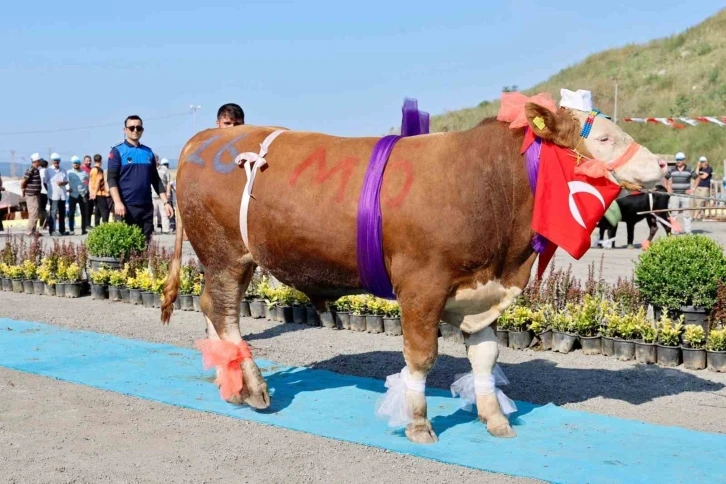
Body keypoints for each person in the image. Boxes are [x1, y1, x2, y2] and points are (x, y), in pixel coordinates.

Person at [107, 115, 173, 243]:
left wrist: (166, 202)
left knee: (144, 246)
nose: (135, 130)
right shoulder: (117, 151)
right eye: (131, 128)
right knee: (125, 246)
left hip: (146, 207)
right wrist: (118, 202)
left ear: (142, 130)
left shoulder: (148, 152)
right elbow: (111, 179)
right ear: (125, 130)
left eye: (138, 127)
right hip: (126, 206)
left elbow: (156, 180)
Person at [665, 151, 698, 235]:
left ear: (684, 160)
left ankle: (688, 231)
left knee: (687, 213)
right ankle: (674, 230)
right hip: (674, 195)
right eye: (677, 160)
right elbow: (666, 178)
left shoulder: (689, 169)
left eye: (680, 160)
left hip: (685, 195)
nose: (678, 161)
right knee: (674, 213)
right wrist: (668, 188)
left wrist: (693, 189)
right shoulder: (672, 169)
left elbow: (697, 178)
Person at [44, 153, 69, 236]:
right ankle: (52, 230)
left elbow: (66, 181)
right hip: (53, 194)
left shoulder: (63, 170)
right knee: (53, 212)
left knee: (62, 213)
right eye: (55, 161)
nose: (56, 162)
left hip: (62, 194)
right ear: (52, 161)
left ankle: (62, 230)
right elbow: (45, 182)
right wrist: (50, 190)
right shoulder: (48, 170)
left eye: (57, 161)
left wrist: (63, 183)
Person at [21, 153, 45, 236]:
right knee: (33, 213)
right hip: (31, 195)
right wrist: (23, 189)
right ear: (36, 161)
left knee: (36, 212)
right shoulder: (31, 170)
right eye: (39, 161)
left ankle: (34, 230)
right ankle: (29, 231)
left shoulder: (36, 170)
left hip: (36, 194)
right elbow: (24, 181)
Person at [67, 156, 90, 235]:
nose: (76, 164)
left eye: (77, 163)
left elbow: (90, 180)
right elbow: (65, 181)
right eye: (74, 163)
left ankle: (83, 229)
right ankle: (71, 229)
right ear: (72, 164)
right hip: (73, 194)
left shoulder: (84, 173)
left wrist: (87, 189)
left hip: (82, 194)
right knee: (71, 213)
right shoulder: (69, 172)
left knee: (84, 213)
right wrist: (67, 188)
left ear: (80, 164)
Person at [90, 154, 110, 226]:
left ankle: (97, 225)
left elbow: (91, 181)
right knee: (105, 211)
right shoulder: (99, 170)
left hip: (94, 193)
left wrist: (91, 193)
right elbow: (98, 181)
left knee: (97, 210)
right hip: (100, 193)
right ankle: (105, 225)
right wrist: (95, 193)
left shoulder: (92, 170)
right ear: (101, 161)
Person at [153, 157, 171, 233]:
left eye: (155, 159)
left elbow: (168, 182)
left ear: (157, 160)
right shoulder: (149, 168)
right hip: (152, 196)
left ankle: (166, 230)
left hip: (162, 196)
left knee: (164, 214)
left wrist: (168, 193)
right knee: (152, 214)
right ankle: (152, 229)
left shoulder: (164, 169)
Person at [693, 156, 713, 220]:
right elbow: (695, 175)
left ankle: (694, 217)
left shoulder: (709, 168)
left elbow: (704, 177)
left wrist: (699, 175)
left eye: (703, 162)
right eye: (701, 162)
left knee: (700, 202)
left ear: (706, 162)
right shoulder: (699, 169)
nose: (702, 163)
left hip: (705, 187)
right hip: (698, 186)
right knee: (696, 202)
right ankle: (699, 216)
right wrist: (698, 167)